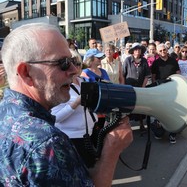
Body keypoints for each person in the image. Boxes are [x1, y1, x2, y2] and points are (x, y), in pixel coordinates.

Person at [0, 23, 133, 186]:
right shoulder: (47, 142)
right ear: (26, 73)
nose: (73, 70)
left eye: (72, 61)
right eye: (62, 63)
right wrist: (111, 150)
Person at [151, 43, 180, 143]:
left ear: (167, 50)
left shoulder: (173, 61)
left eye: (164, 50)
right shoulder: (155, 63)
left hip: (173, 89)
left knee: (173, 112)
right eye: (160, 51)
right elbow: (154, 77)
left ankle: (173, 134)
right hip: (161, 90)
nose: (163, 52)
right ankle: (160, 129)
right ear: (158, 52)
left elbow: (178, 73)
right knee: (161, 112)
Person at [122, 43, 151, 133]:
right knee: (129, 107)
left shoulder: (144, 61)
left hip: (140, 88)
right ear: (133, 51)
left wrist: (143, 87)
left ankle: (141, 124)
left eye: (139, 49)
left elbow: (147, 75)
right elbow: (123, 74)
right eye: (135, 49)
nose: (137, 51)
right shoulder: (127, 60)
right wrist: (124, 87)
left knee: (140, 107)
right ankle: (128, 126)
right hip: (129, 88)